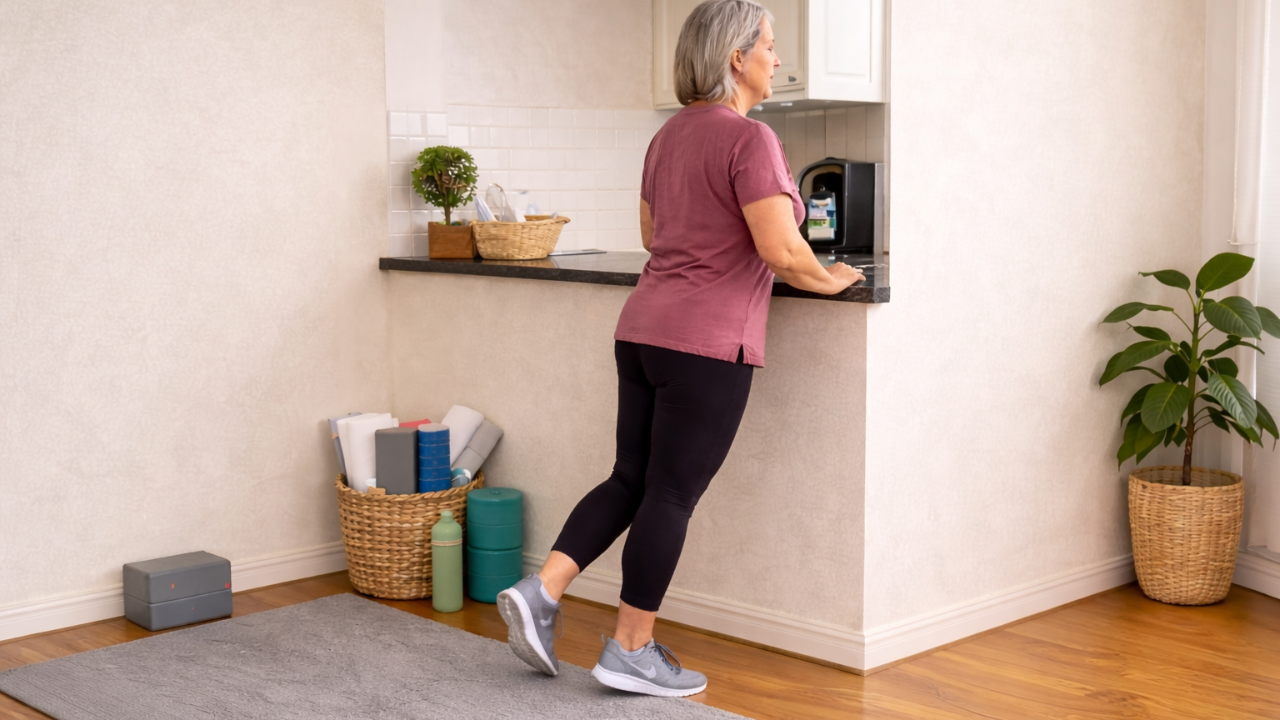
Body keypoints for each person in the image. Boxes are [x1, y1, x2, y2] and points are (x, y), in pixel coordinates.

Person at [496, 0, 862, 697]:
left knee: (628, 478)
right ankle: (632, 648)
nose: (776, 60)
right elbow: (781, 247)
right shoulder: (749, 140)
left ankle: (543, 591)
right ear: (736, 58)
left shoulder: (669, 137)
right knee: (669, 494)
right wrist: (833, 279)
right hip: (705, 342)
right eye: (770, 46)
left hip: (640, 331)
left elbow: (651, 234)